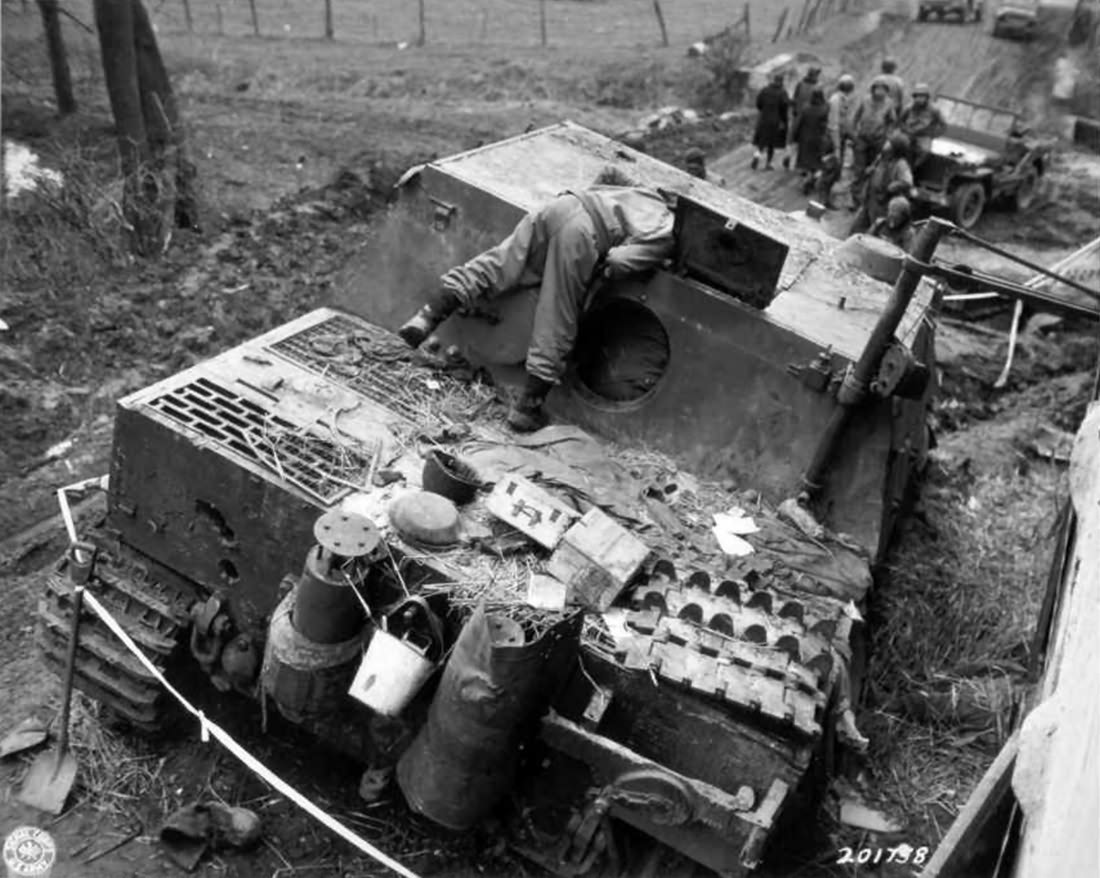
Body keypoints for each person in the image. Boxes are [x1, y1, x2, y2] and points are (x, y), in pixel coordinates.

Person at [397, 172, 676, 432]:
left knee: (495, 266)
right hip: (582, 234)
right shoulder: (668, 230)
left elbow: (607, 174)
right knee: (557, 315)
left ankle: (426, 317)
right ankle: (527, 407)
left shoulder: (640, 192)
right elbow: (618, 261)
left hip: (561, 206)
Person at [852, 132, 914, 234]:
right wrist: (869, 171)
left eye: (889, 142)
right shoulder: (881, 158)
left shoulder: (900, 164)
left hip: (882, 204)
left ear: (895, 147)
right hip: (869, 200)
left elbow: (907, 182)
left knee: (877, 231)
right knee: (856, 228)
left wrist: (892, 187)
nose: (886, 144)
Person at [850, 77, 897, 205]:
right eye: (877, 89)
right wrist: (854, 133)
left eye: (883, 89)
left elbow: (892, 122)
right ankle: (855, 199)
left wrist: (888, 137)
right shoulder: (865, 100)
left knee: (872, 170)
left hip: (878, 141)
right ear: (873, 90)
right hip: (862, 139)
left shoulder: (889, 104)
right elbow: (855, 117)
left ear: (886, 91)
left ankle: (866, 198)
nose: (879, 92)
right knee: (859, 170)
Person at [898, 83, 946, 170]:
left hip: (924, 136)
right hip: (908, 133)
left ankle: (913, 168)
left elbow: (943, 125)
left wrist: (932, 135)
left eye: (922, 96)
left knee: (925, 151)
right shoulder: (909, 108)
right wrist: (905, 129)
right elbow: (900, 121)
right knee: (894, 145)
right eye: (917, 96)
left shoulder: (934, 110)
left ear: (926, 97)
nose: (919, 99)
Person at [752, 73, 790, 171]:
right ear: (781, 82)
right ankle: (768, 164)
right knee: (771, 143)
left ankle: (757, 155)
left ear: (773, 80)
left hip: (763, 118)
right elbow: (784, 108)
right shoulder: (782, 93)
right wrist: (784, 121)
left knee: (762, 140)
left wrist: (763, 111)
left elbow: (758, 103)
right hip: (775, 121)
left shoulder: (765, 90)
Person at [788, 65, 823, 167]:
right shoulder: (817, 87)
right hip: (810, 118)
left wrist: (794, 111)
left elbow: (794, 99)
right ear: (815, 76)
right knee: (805, 141)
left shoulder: (800, 84)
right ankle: (801, 162)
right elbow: (820, 103)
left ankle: (789, 156)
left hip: (797, 115)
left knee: (794, 138)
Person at [793, 88, 830, 177]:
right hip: (818, 136)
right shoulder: (825, 109)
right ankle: (814, 172)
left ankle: (804, 170)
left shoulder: (805, 107)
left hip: (805, 135)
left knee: (804, 154)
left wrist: (795, 135)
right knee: (816, 156)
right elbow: (826, 124)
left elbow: (799, 122)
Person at [827, 74, 857, 170]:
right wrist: (836, 143)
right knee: (836, 155)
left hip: (842, 131)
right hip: (835, 133)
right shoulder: (836, 100)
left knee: (840, 156)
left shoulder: (844, 98)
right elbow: (833, 122)